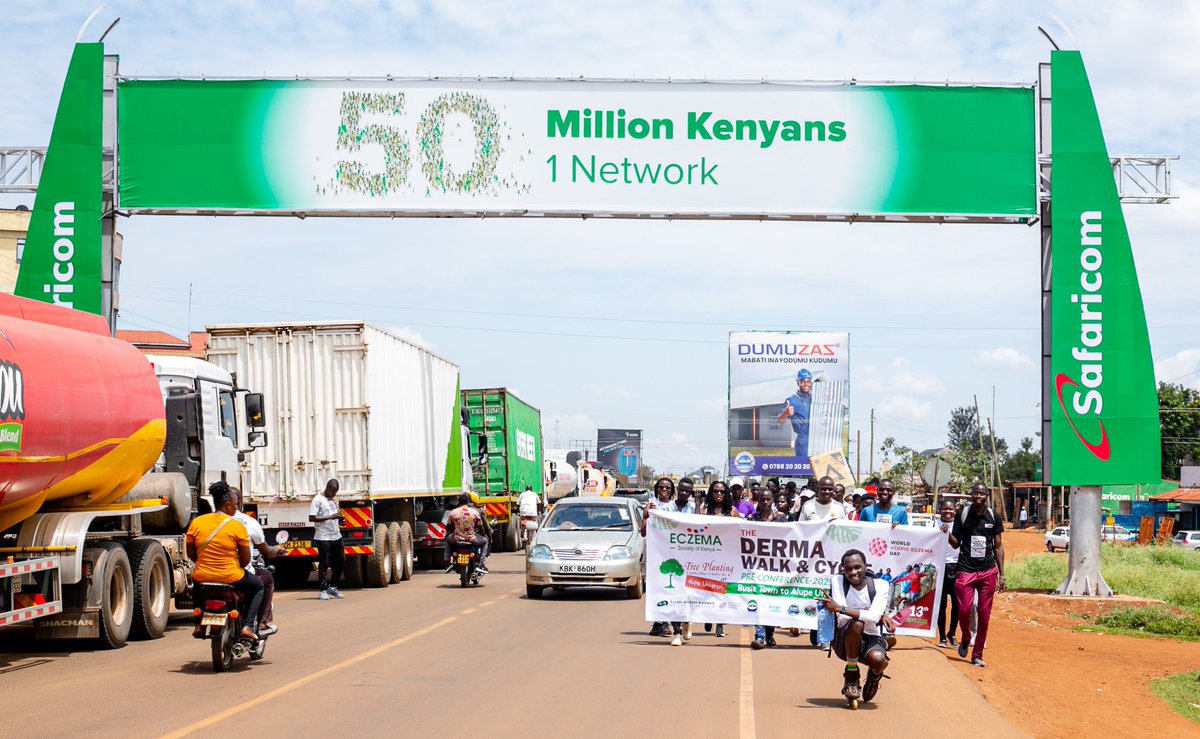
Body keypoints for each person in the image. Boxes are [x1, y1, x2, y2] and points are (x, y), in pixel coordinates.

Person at [186, 481, 263, 641]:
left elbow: (191, 553)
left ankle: (198, 625)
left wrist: (206, 564)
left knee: (198, 586)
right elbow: (245, 560)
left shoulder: (197, 522)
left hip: (203, 576)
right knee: (258, 587)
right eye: (236, 504)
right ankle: (247, 626)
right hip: (231, 576)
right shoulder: (237, 526)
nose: (237, 508)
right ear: (227, 504)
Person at [823, 549, 891, 704]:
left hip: (871, 637)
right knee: (857, 623)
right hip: (845, 639)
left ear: (865, 566)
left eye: (857, 567)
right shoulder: (838, 581)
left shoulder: (881, 585)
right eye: (848, 569)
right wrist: (864, 613)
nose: (853, 572)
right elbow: (843, 618)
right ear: (843, 569)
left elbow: (873, 616)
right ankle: (852, 675)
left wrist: (841, 608)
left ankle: (874, 676)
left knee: (879, 660)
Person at [949, 483, 1004, 668]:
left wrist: (1001, 574)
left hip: (988, 570)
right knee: (964, 610)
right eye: (976, 493)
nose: (979, 496)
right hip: (965, 569)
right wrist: (946, 533)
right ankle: (965, 637)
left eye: (982, 493)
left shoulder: (993, 516)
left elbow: (998, 545)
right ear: (971, 495)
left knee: (984, 614)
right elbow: (956, 543)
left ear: (987, 495)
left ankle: (977, 654)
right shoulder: (962, 514)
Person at [233, 488, 284, 636]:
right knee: (264, 581)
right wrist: (276, 549)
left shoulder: (206, 521)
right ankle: (260, 624)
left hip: (208, 574)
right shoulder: (246, 523)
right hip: (236, 573)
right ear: (238, 503)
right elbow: (266, 552)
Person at [748, 498, 788, 649]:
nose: (765, 502)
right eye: (762, 500)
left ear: (772, 500)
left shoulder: (782, 518)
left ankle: (770, 634)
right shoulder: (752, 519)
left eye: (768, 499)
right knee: (758, 599)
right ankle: (759, 636)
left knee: (774, 602)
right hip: (757, 566)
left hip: (778, 566)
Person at [664, 477, 698, 646]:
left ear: (691, 492)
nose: (684, 493)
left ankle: (687, 622)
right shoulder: (666, 508)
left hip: (691, 558)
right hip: (671, 556)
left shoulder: (693, 509)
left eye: (688, 491)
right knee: (673, 594)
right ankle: (676, 632)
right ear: (677, 490)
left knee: (688, 593)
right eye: (682, 490)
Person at [701, 481, 736, 638]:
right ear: (711, 493)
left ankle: (720, 624)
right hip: (707, 558)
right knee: (708, 590)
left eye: (722, 491)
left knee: (722, 592)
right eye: (716, 491)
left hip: (726, 559)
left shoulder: (732, 511)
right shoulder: (704, 511)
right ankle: (708, 616)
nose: (719, 494)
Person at [643, 477, 677, 637]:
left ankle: (666, 621)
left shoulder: (675, 507)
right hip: (655, 553)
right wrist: (646, 516)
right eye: (661, 487)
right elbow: (643, 532)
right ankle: (659, 622)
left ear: (672, 490)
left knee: (670, 587)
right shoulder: (651, 505)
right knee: (656, 587)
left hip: (672, 552)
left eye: (668, 488)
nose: (664, 490)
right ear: (656, 489)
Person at [309, 479, 345, 600]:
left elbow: (335, 513)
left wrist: (340, 519)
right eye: (333, 492)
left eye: (336, 492)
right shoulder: (317, 500)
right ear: (328, 488)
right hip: (323, 536)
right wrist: (330, 517)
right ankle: (323, 590)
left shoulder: (334, 499)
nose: (334, 494)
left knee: (340, 560)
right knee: (324, 563)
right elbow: (312, 518)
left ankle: (333, 587)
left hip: (336, 534)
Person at [446, 493, 492, 574]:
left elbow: (449, 526)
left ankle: (447, 562)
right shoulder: (474, 512)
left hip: (457, 539)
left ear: (458, 501)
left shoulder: (453, 512)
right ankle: (481, 563)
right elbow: (480, 526)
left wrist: (448, 533)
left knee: (447, 539)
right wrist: (484, 535)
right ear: (468, 501)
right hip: (472, 539)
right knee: (485, 541)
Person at [776, 368, 814, 458]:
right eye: (803, 381)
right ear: (798, 383)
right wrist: (786, 412)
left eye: (808, 381)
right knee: (803, 470)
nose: (806, 384)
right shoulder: (792, 400)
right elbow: (780, 421)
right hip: (803, 442)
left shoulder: (814, 398)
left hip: (817, 440)